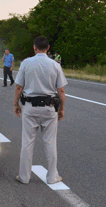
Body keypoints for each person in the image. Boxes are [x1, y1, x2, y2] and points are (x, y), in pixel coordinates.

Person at [13, 36, 67, 185]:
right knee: (50, 143)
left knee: (27, 143)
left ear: (34, 47)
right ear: (48, 48)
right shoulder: (55, 65)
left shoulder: (26, 63)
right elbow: (61, 91)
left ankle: (24, 177)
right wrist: (61, 109)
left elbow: (18, 87)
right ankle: (52, 177)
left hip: (29, 108)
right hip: (50, 108)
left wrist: (16, 104)